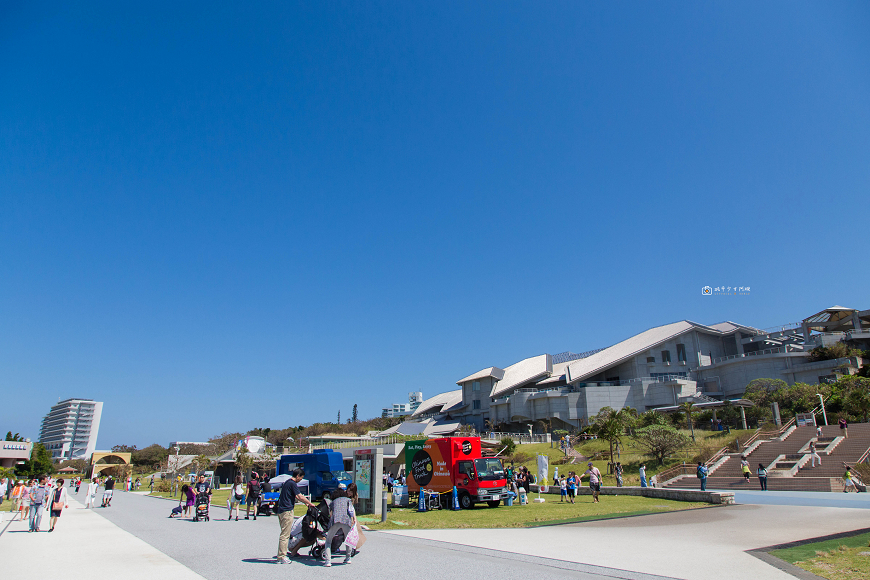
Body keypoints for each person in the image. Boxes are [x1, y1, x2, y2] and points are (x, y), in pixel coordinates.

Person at [276, 468, 317, 564]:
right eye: (301, 478)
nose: (301, 480)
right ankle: (282, 556)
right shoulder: (292, 483)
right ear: (297, 476)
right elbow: (300, 496)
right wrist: (310, 503)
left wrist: (305, 504)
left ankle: (281, 555)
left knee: (284, 533)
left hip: (281, 510)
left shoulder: (287, 483)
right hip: (287, 511)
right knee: (285, 534)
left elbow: (295, 497)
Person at [324, 483, 358, 566]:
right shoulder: (348, 500)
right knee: (348, 540)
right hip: (346, 521)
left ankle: (328, 561)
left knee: (328, 540)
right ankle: (348, 558)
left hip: (335, 520)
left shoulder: (333, 502)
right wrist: (354, 520)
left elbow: (331, 513)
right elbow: (351, 510)